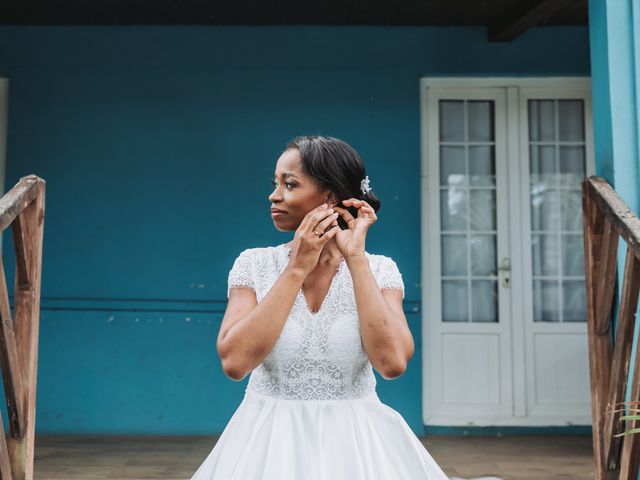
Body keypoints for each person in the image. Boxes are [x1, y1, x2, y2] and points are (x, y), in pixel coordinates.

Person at [190, 135, 451, 479]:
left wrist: (356, 258)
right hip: (266, 448)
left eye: (290, 184)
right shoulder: (252, 265)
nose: (274, 194)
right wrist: (296, 268)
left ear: (328, 195)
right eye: (275, 183)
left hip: (357, 450)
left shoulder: (380, 270)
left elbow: (392, 364)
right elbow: (235, 363)